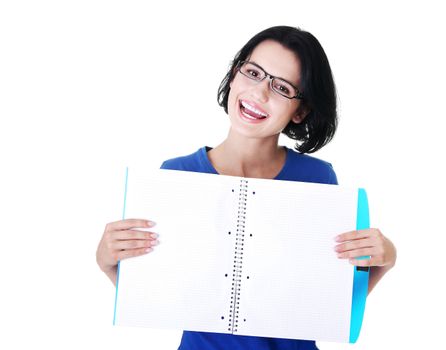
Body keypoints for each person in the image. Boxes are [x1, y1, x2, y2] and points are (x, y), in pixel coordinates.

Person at [96, 25, 397, 350]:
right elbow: (162, 296)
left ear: (301, 111)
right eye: (253, 72)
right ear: (233, 75)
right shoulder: (176, 175)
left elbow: (323, 306)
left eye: (282, 87)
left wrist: (384, 261)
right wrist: (108, 262)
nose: (260, 93)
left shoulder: (319, 180)